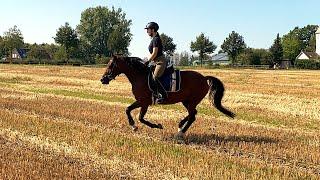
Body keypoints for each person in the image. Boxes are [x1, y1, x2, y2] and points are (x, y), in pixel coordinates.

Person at [144, 22, 167, 103]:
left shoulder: (156, 39)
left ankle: (163, 95)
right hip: (155, 61)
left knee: (155, 77)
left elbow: (154, 53)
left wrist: (148, 61)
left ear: (153, 30)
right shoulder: (153, 39)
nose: (147, 31)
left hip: (160, 62)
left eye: (148, 30)